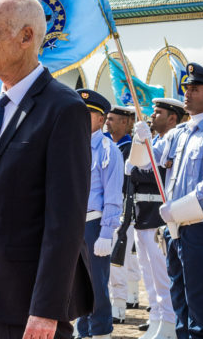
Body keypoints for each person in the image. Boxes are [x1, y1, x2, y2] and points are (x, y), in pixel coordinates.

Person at [0, 0, 93, 339]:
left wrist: (46, 308)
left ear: (27, 37)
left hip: (27, 306)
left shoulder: (63, 109)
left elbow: (65, 222)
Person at [133, 62, 203, 339]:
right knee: (180, 303)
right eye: (187, 88)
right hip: (175, 230)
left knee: (200, 309)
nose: (187, 92)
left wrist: (173, 211)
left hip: (200, 228)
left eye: (195, 88)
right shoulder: (178, 134)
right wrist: (141, 140)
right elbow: (144, 164)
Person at [129, 98, 183, 339]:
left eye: (158, 113)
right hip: (143, 215)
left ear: (173, 118)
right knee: (149, 276)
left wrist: (140, 168)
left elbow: (154, 173)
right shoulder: (157, 142)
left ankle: (169, 323)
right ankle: (157, 319)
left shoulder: (176, 142)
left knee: (164, 277)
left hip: (160, 218)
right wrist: (141, 143)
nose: (153, 116)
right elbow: (134, 167)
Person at [75, 89, 124, 339]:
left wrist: (107, 232)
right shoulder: (71, 145)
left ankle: (101, 332)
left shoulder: (108, 150)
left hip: (94, 225)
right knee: (77, 285)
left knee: (97, 286)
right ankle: (83, 331)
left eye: (87, 114)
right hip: (72, 225)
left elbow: (114, 196)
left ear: (101, 118)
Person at [105, 104, 141, 322]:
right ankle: (121, 299)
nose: (107, 122)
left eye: (112, 119)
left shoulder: (131, 148)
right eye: (107, 118)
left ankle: (119, 306)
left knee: (120, 259)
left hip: (124, 206)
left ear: (126, 123)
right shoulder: (109, 145)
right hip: (110, 206)